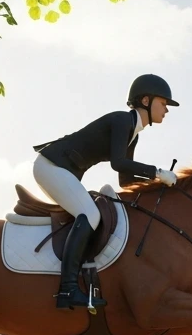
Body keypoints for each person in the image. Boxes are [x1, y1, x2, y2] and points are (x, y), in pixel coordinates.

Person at [32, 73, 179, 309]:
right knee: (90, 214)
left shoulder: (132, 134)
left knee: (91, 212)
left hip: (59, 169)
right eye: (163, 103)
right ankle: (67, 290)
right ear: (145, 101)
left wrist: (157, 187)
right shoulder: (123, 120)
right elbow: (118, 163)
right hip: (51, 166)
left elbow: (125, 180)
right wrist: (158, 172)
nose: (167, 110)